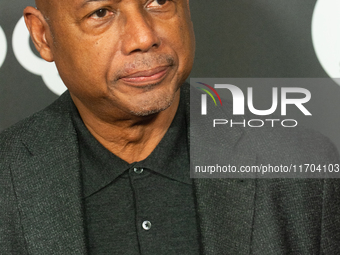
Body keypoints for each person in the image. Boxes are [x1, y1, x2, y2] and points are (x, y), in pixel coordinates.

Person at [0, 0, 339, 254]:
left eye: (159, 1)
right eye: (101, 12)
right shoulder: (7, 178)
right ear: (42, 36)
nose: (144, 36)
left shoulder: (299, 168)